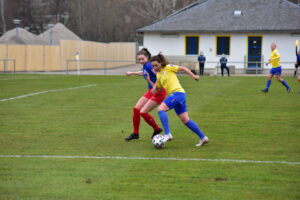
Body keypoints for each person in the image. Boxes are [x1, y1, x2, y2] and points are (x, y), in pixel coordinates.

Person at [150, 53, 209, 147]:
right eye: (153, 66)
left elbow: (183, 68)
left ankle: (167, 134)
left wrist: (194, 76)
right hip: (177, 96)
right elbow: (160, 88)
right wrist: (154, 88)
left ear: (161, 63)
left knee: (160, 109)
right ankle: (203, 137)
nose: (155, 67)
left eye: (156, 65)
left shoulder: (168, 67)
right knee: (185, 119)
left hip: (178, 93)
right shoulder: (158, 75)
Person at [125, 48, 166, 141]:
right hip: (150, 91)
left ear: (147, 57)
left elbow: (159, 76)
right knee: (136, 109)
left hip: (158, 92)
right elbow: (144, 73)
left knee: (143, 112)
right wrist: (132, 73)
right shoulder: (146, 66)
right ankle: (135, 133)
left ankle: (157, 129)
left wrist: (154, 85)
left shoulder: (149, 66)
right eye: (139, 59)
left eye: (142, 59)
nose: (140, 61)